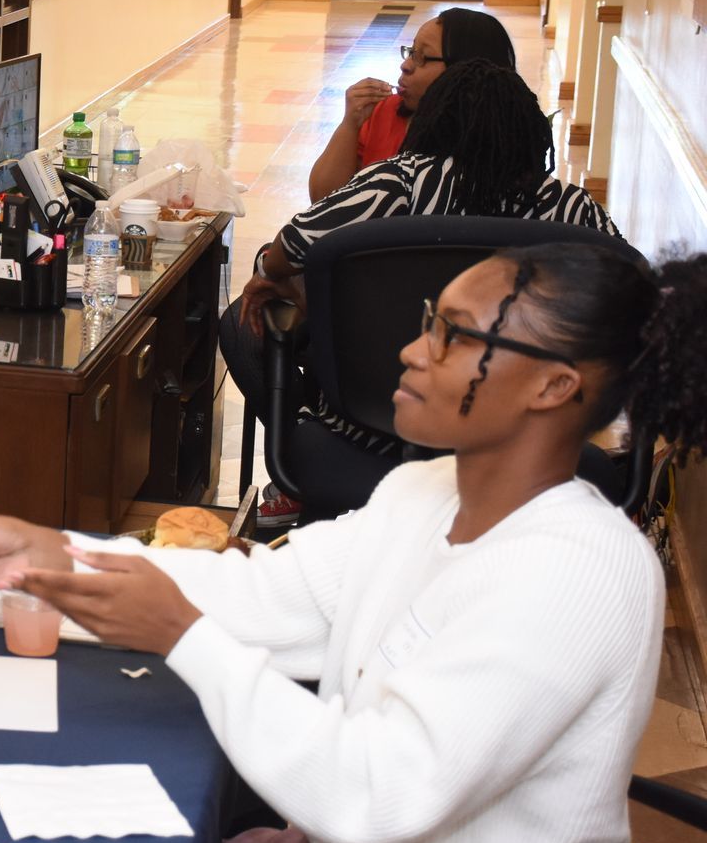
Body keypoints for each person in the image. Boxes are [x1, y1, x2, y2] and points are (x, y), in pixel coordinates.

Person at [0, 240, 706, 843]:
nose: (412, 350)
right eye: (430, 318)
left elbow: (378, 793)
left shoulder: (578, 575)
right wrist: (48, 555)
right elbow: (262, 599)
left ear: (553, 386)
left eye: (451, 336)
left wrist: (181, 635)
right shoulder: (422, 494)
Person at [223, 59, 615, 522]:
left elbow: (293, 243)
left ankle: (298, 472)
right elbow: (634, 291)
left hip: (367, 436)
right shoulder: (572, 208)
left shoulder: (398, 182)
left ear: (434, 119)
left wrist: (272, 272)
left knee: (247, 327)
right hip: (522, 443)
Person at [308, 8, 517, 201]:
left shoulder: (493, 140)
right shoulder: (386, 111)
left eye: (422, 57)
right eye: (411, 52)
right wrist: (350, 124)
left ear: (465, 69)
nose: (405, 65)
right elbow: (323, 198)